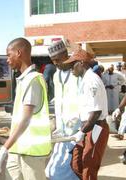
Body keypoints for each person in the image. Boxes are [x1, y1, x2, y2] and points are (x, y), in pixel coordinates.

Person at [0, 38, 52, 180]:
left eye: (8, 55)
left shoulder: (33, 80)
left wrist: (4, 149)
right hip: (17, 148)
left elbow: (25, 119)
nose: (7, 60)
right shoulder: (23, 80)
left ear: (18, 53)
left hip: (32, 153)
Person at [64, 48, 109, 180]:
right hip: (87, 127)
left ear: (82, 63)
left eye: (73, 64)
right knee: (76, 164)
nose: (70, 68)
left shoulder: (91, 81)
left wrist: (82, 132)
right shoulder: (85, 80)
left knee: (89, 167)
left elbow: (95, 113)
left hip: (95, 127)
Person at [44, 40, 80, 180]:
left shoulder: (77, 72)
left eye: (57, 59)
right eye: (53, 60)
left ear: (66, 54)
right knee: (53, 171)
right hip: (62, 130)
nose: (55, 63)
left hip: (77, 130)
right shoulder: (56, 75)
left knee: (70, 170)